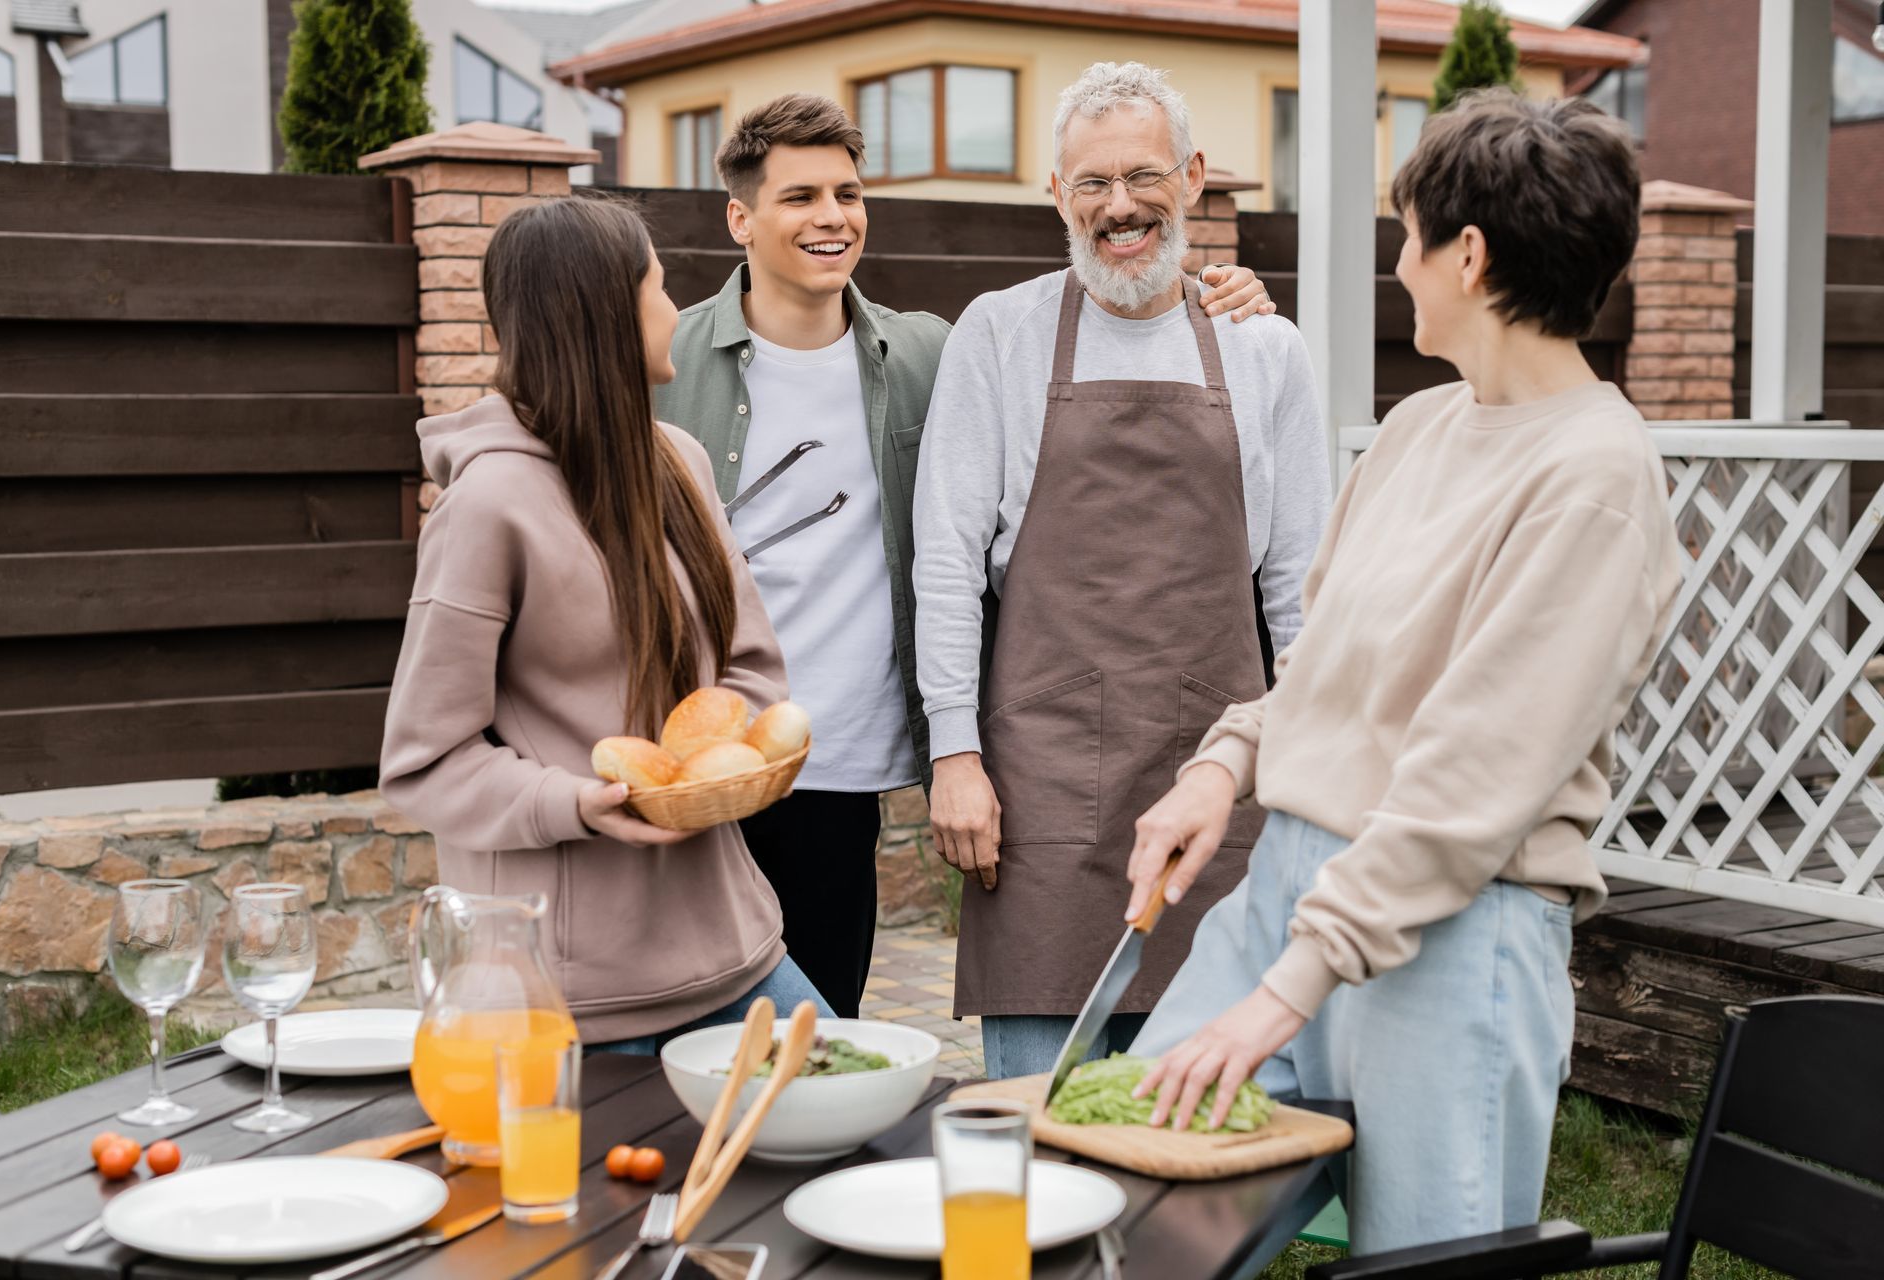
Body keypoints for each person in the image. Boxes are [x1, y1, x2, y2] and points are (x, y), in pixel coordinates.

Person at [1122, 89, 1680, 1260]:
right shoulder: (1420, 428)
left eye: (1409, 233)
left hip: (1457, 926)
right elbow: (1321, 670)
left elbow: (1476, 776)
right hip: (1291, 881)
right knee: (1135, 1200)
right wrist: (1223, 766)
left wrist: (1297, 981)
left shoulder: (1594, 474)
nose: (1400, 261)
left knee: (1419, 1262)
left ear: (1467, 255)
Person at [653, 93, 1279, 1018]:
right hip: (699, 749)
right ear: (741, 217)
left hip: (839, 760)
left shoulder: (924, 352)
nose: (831, 217)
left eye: (847, 193)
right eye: (799, 197)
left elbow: (1111, 311)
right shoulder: (669, 357)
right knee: (678, 1022)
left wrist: (1216, 292)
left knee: (820, 1038)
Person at [912, 62, 1331, 1080]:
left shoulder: (1264, 349)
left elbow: (1303, 593)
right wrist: (955, 753)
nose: (1120, 207)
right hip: (1042, 785)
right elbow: (946, 558)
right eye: (1090, 183)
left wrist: (1316, 773)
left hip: (1215, 780)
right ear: (1058, 196)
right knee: (1036, 1121)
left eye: (1143, 176)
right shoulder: (999, 334)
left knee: (1202, 1124)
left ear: (1191, 178)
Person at [379, 195, 831, 1052]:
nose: (676, 310)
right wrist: (575, 804)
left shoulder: (679, 463)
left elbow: (752, 669)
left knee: (866, 1146)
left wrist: (704, 771)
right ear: (605, 315)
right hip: (574, 1001)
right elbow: (425, 761)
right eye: (658, 287)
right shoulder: (487, 507)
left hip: (739, 951)